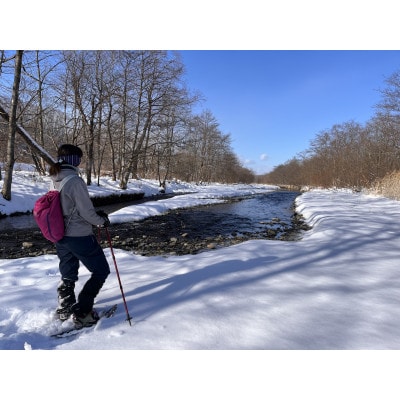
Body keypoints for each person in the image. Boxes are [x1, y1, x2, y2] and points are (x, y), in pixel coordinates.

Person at [49, 144, 111, 328]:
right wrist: (102, 221)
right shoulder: (75, 181)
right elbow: (86, 212)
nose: (81, 162)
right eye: (80, 159)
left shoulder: (54, 178)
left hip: (60, 234)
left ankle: (65, 307)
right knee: (101, 270)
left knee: (68, 272)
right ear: (75, 160)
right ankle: (83, 311)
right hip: (78, 235)